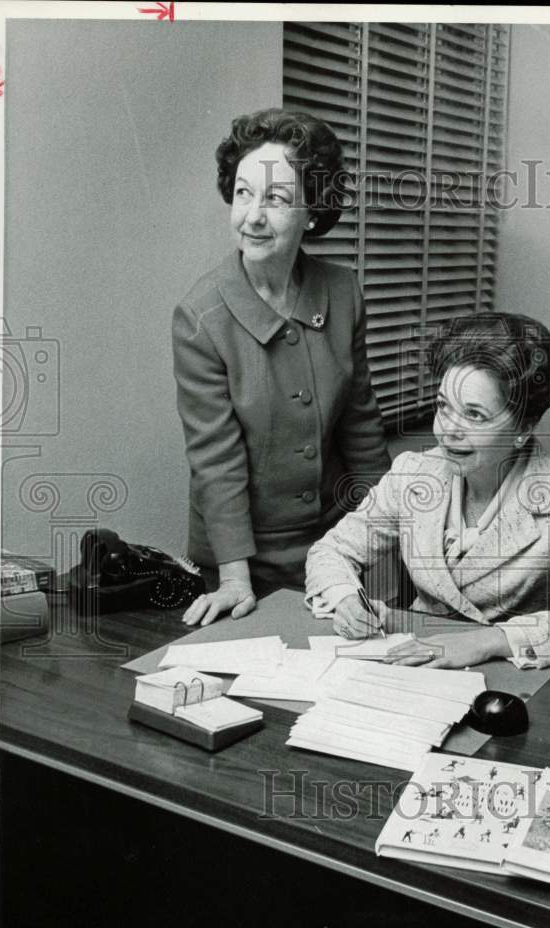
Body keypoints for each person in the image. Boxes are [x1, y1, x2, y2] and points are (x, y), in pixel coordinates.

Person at [305, 312, 550, 669]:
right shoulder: (413, 474)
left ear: (523, 426)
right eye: (444, 406)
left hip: (508, 676)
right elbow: (331, 550)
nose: (448, 431)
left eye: (475, 415)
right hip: (414, 658)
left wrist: (489, 641)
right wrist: (347, 599)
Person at [172, 109, 390, 627]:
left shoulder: (342, 289)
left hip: (340, 545)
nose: (252, 216)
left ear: (312, 212)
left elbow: (360, 424)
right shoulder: (201, 318)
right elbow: (215, 459)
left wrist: (390, 537)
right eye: (244, 193)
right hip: (246, 560)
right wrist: (234, 578)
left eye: (275, 198)